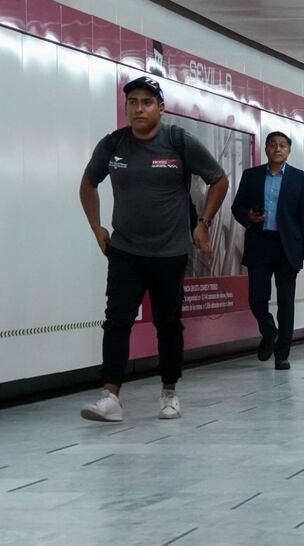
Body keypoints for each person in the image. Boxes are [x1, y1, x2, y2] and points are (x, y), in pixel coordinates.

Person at [78, 76, 228, 422]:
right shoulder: (113, 145)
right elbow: (88, 183)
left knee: (168, 323)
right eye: (133, 102)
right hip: (125, 251)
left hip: (169, 252)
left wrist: (203, 223)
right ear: (126, 107)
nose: (139, 108)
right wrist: (96, 226)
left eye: (147, 102)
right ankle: (110, 396)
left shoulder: (178, 142)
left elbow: (218, 179)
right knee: (116, 321)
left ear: (160, 108)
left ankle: (170, 392)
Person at [231, 131, 304, 370]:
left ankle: (282, 354)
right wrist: (248, 216)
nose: (277, 149)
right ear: (266, 149)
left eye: (282, 146)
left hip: (288, 245)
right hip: (260, 243)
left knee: (286, 301)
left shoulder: (301, 179)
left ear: (289, 150)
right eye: (272, 145)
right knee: (257, 298)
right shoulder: (251, 176)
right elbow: (237, 206)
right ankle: (269, 331)